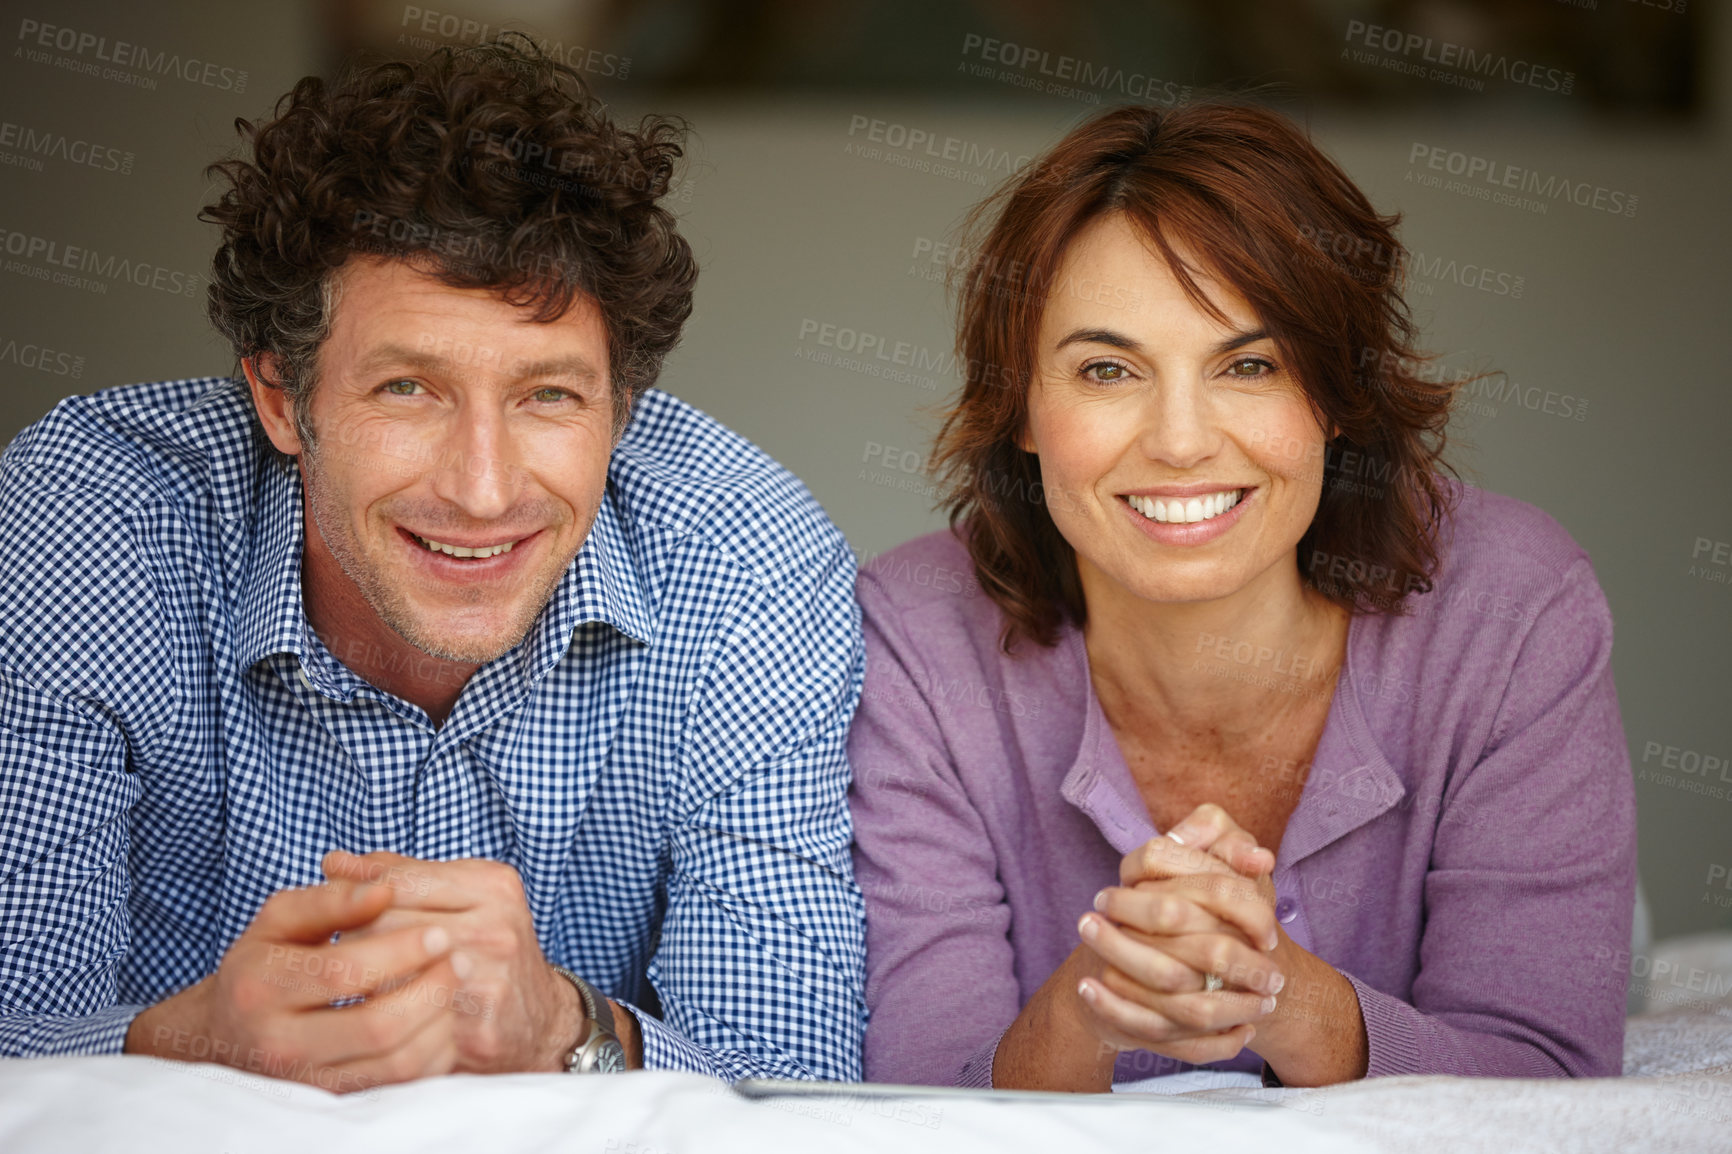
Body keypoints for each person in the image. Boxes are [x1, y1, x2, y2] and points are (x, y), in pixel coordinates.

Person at [0, 38, 866, 1090]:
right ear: (280, 395)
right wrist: (182, 1043)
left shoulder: (746, 560)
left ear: (621, 408)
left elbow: (798, 1082)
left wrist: (568, 1026)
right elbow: (16, 1025)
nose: (483, 488)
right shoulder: (95, 519)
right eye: (408, 388)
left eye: (550, 394)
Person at [848, 101, 1635, 1091]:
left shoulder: (1511, 605)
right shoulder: (915, 632)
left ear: (1339, 396)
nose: (1180, 440)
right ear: (1021, 410)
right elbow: (910, 1098)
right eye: (1106, 369)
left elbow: (1547, 1074)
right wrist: (1098, 999)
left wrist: (1275, 994)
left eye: (1250, 364)